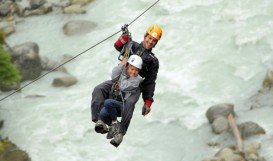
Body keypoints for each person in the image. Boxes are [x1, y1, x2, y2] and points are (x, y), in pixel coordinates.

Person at [91, 24, 162, 146]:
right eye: (149, 38)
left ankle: (120, 134)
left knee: (129, 103)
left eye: (153, 41)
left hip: (135, 88)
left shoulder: (153, 61)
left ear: (155, 43)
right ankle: (99, 120)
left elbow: (150, 82)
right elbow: (118, 46)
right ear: (145, 36)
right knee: (99, 89)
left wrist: (148, 102)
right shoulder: (132, 45)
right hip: (120, 79)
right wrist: (123, 38)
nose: (150, 42)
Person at [95, 55, 143, 147]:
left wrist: (123, 75)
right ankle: (113, 129)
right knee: (102, 114)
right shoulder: (123, 72)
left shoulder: (137, 80)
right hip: (114, 105)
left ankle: (115, 124)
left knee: (107, 102)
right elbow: (113, 75)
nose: (134, 72)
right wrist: (122, 64)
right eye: (132, 69)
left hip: (122, 106)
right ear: (128, 67)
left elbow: (124, 86)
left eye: (136, 70)